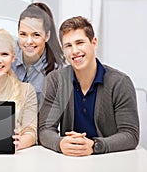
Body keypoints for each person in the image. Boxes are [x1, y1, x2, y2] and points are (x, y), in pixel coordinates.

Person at [39, 16, 140, 156]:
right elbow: (45, 130)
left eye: (80, 42)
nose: (74, 51)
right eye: (68, 45)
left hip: (110, 159)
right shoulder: (55, 81)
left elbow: (130, 135)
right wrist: (60, 143)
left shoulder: (120, 83)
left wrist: (94, 146)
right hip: (69, 160)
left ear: (94, 43)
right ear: (63, 50)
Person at [12, 2, 65, 106]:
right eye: (23, 34)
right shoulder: (5, 57)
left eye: (36, 35)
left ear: (47, 36)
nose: (28, 41)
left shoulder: (57, 72)